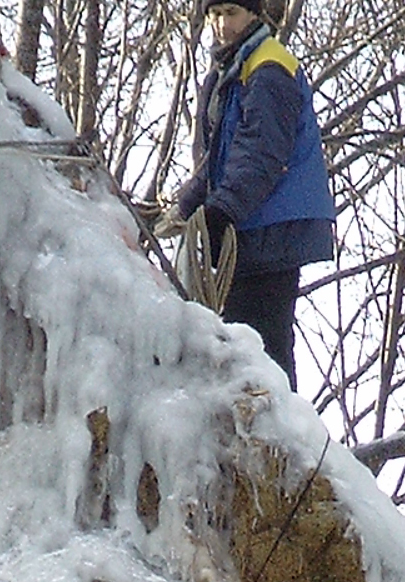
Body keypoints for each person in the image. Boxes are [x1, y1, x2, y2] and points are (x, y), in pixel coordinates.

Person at [170, 0, 335, 389]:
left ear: (254, 15)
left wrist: (221, 212)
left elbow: (261, 153)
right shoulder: (234, 69)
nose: (221, 25)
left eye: (231, 13)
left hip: (272, 229)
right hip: (258, 224)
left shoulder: (268, 67)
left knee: (257, 349)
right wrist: (184, 207)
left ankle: (281, 439)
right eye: (214, 14)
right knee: (250, 346)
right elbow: (219, 158)